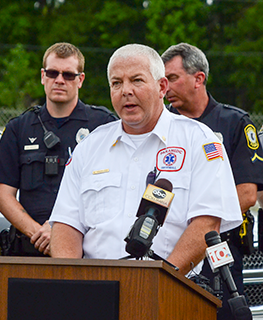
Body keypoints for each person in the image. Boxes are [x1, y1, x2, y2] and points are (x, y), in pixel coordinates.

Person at [49, 43, 243, 277]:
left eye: (137, 80)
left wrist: (158, 283)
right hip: (96, 291)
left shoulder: (199, 141)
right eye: (116, 83)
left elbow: (207, 225)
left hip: (171, 291)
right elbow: (65, 225)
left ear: (162, 87)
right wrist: (72, 282)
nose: (125, 91)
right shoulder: (89, 148)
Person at [161, 42, 263, 318]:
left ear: (198, 79)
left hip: (221, 251)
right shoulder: (161, 128)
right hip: (168, 250)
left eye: (172, 78)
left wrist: (198, 222)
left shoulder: (235, 123)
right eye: (162, 80)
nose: (165, 87)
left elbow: (246, 195)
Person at [0, 42, 117, 257]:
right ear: (43, 76)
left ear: (80, 80)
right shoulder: (18, 128)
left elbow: (114, 188)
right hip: (31, 248)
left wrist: (59, 232)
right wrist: (38, 233)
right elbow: (3, 194)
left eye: (68, 75)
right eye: (52, 73)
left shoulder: (103, 125)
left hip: (85, 251)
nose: (59, 80)